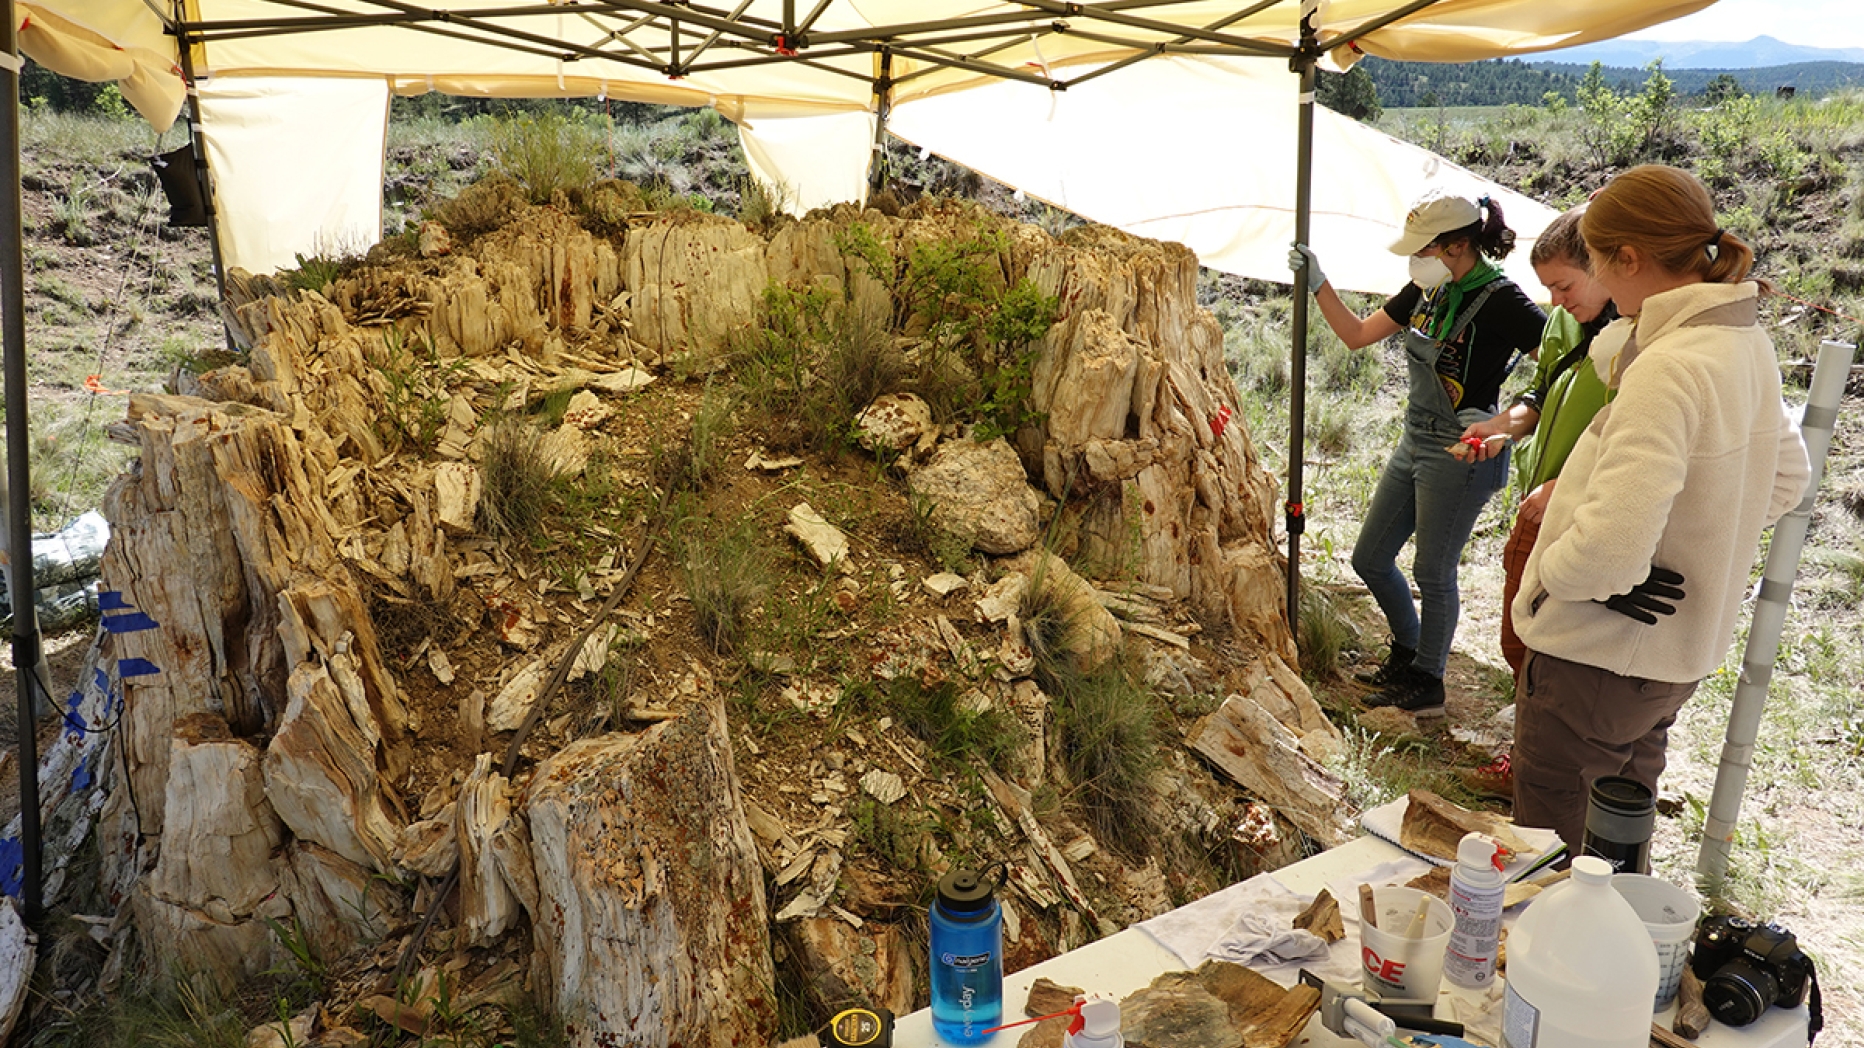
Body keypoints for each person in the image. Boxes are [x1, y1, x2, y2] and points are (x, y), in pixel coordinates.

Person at [1510, 165, 1810, 853]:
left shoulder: (1670, 365)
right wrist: (1689, 544)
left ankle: (1562, 959)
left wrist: (1559, 574)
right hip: (1669, 659)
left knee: (1554, 865)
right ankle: (1624, 957)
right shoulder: (1743, 340)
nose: (1600, 288)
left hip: (1593, 656)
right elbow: (1785, 479)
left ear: (1630, 258)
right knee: (1617, 842)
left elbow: (1609, 551)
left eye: (1598, 267)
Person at [1289, 191, 1545, 715]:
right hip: (1415, 438)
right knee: (1371, 558)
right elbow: (1358, 335)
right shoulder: (1425, 292)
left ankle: (1428, 681)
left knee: (1434, 571)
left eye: (1423, 248)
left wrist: (1507, 419)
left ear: (1454, 245)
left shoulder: (1502, 300)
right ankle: (1409, 649)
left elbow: (1559, 370)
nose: (1415, 259)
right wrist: (1319, 283)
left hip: (1461, 449)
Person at [1451, 207, 1618, 797]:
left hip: (1581, 514)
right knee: (1520, 640)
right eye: (1546, 288)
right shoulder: (1564, 323)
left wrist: (1564, 487)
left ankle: (1546, 769)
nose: (1555, 300)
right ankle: (1532, 758)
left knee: (1551, 650)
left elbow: (1634, 437)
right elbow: (1540, 393)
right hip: (1539, 503)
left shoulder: (1642, 339)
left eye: (1565, 285)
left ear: (1604, 266)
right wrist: (1502, 427)